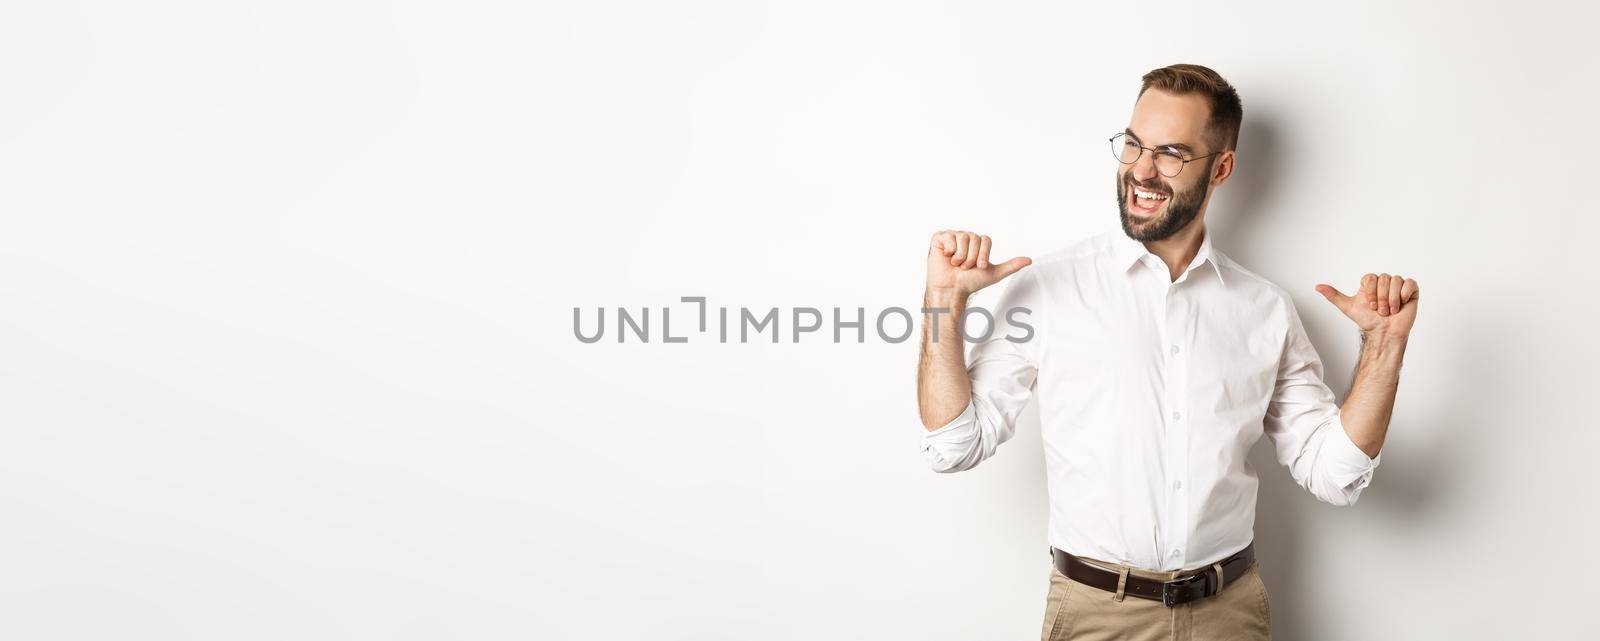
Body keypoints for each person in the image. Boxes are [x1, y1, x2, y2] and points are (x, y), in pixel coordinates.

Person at [915, 64, 1419, 641]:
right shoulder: (1050, 288)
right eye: (1133, 144)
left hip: (1230, 613)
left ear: (1222, 168)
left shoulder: (1265, 310)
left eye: (1172, 153)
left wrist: (1384, 347)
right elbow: (953, 446)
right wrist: (942, 306)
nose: (1142, 170)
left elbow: (1336, 474)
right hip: (1096, 615)